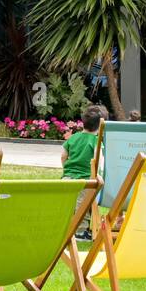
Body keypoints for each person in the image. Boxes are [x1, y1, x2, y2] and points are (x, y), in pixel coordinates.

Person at [62, 103, 107, 241]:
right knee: (83, 204)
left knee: (68, 204)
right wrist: (97, 174)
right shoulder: (95, 141)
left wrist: (66, 169)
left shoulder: (74, 137)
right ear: (100, 126)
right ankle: (80, 232)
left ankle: (66, 227)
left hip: (67, 177)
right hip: (86, 179)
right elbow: (98, 160)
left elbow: (64, 156)